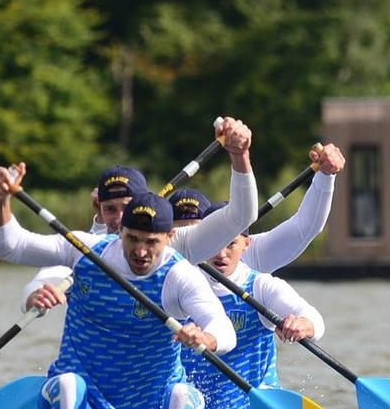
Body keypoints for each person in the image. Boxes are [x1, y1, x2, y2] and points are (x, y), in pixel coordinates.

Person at [0, 173, 239, 409]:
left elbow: (224, 330)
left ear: (169, 238)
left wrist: (206, 338)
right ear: (121, 234)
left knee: (184, 396)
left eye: (151, 243)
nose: (141, 252)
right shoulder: (86, 250)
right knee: (66, 384)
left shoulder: (180, 276)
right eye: (133, 238)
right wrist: (0, 200)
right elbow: (9, 245)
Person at [21, 116, 261, 313]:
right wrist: (36, 295)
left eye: (127, 206)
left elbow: (241, 217)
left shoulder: (175, 243)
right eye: (110, 209)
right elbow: (50, 275)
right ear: (99, 209)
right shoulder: (86, 247)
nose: (119, 217)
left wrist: (240, 157)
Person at [184, 209, 326, 409]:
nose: (221, 254)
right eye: (213, 243)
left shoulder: (262, 287)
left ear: (247, 244)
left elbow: (315, 320)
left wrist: (302, 325)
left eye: (230, 244)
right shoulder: (183, 282)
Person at [171, 143, 346, 274]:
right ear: (165, 235)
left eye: (196, 231)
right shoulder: (153, 259)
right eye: (180, 232)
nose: (187, 240)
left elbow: (306, 226)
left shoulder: (248, 253)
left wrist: (325, 176)